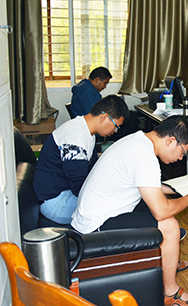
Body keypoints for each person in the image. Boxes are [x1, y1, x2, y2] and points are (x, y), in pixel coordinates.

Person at [71, 116, 188, 306]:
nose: (181, 158)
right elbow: (161, 211)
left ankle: (166, 261)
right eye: (183, 152)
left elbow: (146, 184)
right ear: (170, 141)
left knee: (160, 205)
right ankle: (170, 292)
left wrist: (177, 190)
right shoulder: (144, 157)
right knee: (169, 225)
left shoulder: (138, 140)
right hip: (94, 227)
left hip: (94, 215)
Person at [33, 95, 129, 224]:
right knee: (117, 207)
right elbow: (79, 187)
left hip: (65, 194)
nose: (116, 131)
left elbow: (93, 171)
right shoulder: (75, 136)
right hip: (55, 202)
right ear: (104, 117)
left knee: (120, 199)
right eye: (116, 126)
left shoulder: (86, 131)